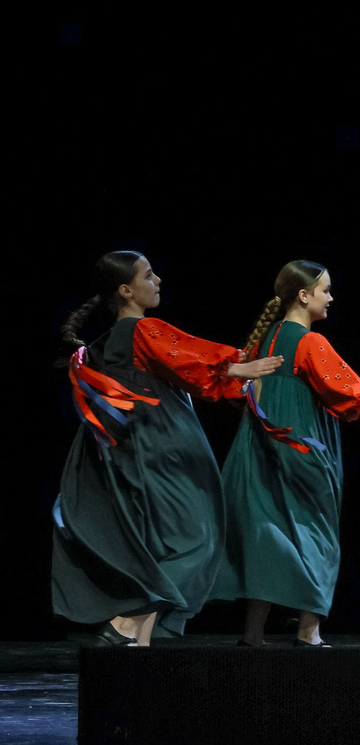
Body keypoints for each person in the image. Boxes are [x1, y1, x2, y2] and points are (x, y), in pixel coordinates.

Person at [52, 251, 282, 646]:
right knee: (198, 538)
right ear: (126, 290)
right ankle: (126, 624)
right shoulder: (143, 330)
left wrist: (231, 374)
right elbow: (186, 356)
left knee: (165, 542)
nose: (157, 280)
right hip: (163, 444)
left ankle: (139, 641)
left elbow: (182, 369)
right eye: (148, 275)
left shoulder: (108, 342)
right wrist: (234, 367)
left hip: (137, 448)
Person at [215, 261, 360, 647]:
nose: (330, 297)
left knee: (268, 535)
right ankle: (308, 630)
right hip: (301, 445)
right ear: (303, 295)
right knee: (317, 534)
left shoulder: (265, 339)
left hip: (257, 446)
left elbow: (240, 391)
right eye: (324, 290)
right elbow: (347, 388)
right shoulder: (310, 342)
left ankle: (253, 634)